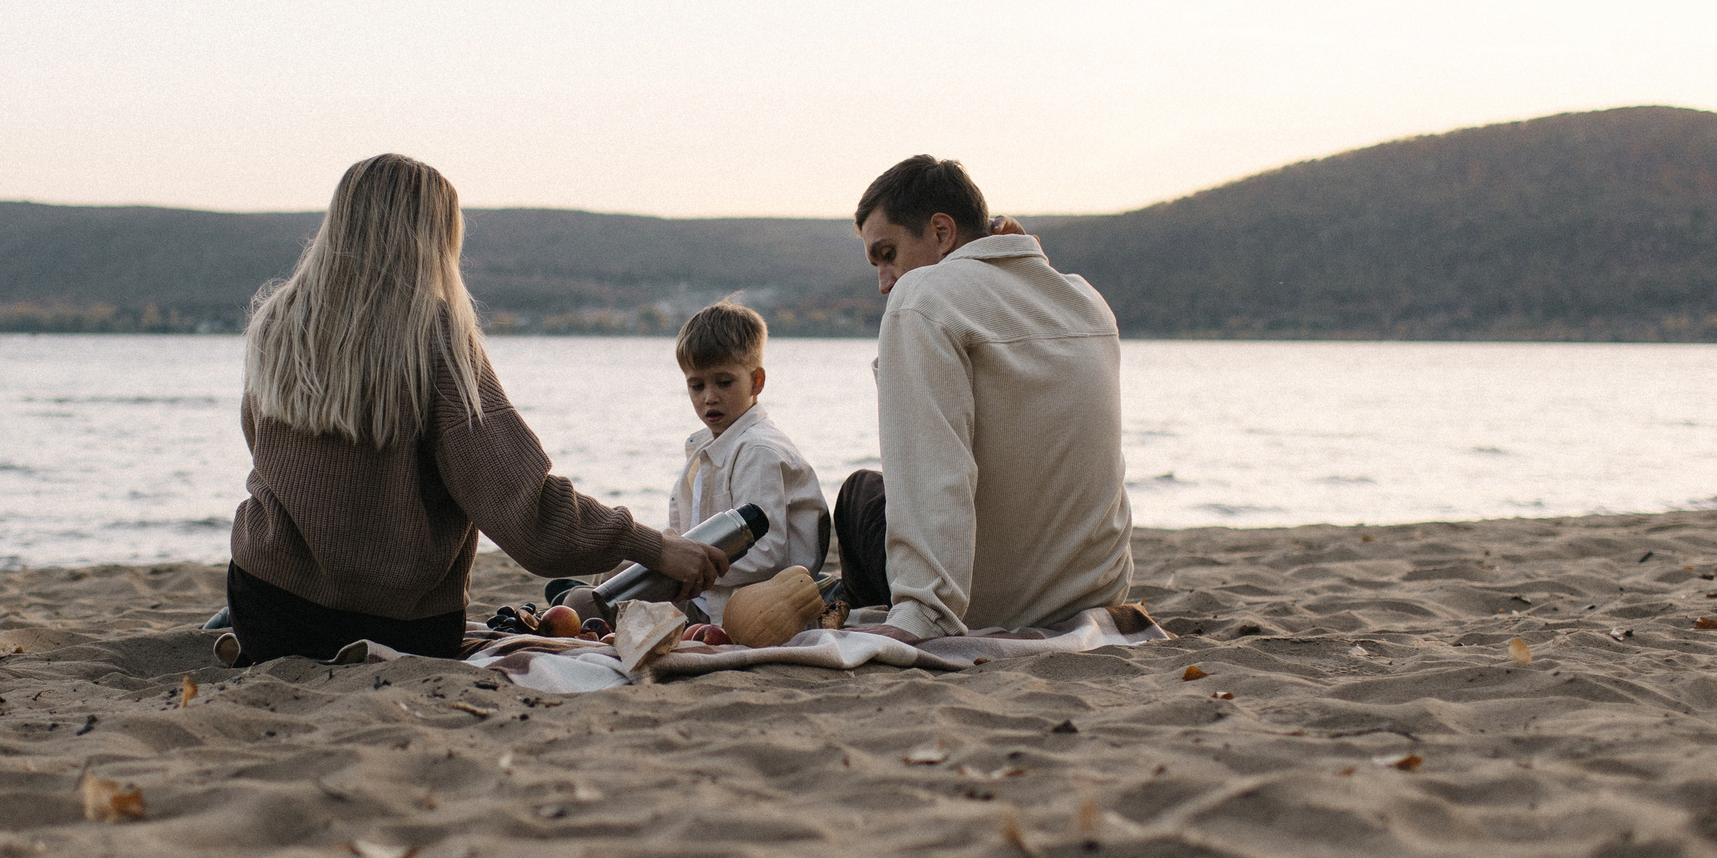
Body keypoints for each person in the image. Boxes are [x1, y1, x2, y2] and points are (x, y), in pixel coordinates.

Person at [229, 154, 726, 663]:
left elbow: (267, 457)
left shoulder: (276, 323)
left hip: (265, 609)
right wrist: (653, 546)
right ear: (435, 237)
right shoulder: (435, 337)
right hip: (395, 628)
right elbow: (523, 510)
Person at [837, 154, 1133, 639]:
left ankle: (852, 602)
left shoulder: (922, 297)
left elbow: (933, 469)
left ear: (941, 231)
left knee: (860, 494)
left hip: (977, 602)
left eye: (887, 254)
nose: (884, 282)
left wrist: (923, 611)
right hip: (1091, 595)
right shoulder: (1087, 300)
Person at [663, 301, 830, 624]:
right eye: (696, 385)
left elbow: (768, 555)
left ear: (756, 382)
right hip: (706, 598)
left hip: (750, 609)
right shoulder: (705, 448)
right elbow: (688, 533)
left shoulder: (758, 451)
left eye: (724, 383)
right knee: (619, 569)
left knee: (590, 600)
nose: (709, 397)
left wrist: (684, 567)